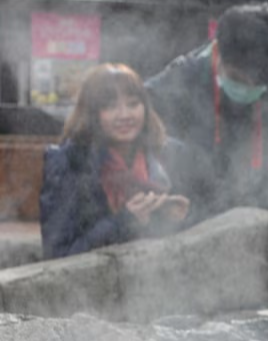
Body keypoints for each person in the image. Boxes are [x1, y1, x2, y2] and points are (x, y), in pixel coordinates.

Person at [145, 2, 268, 213]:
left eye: (258, 83)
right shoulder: (182, 79)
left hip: (262, 216)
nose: (247, 88)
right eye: (237, 78)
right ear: (218, 53)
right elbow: (144, 131)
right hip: (194, 216)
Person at [40, 64, 212, 260]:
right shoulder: (70, 163)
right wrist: (125, 221)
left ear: (145, 108)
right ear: (92, 113)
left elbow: (209, 216)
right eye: (110, 106)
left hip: (162, 282)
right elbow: (57, 255)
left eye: (133, 104)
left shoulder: (171, 154)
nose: (125, 115)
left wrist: (178, 219)